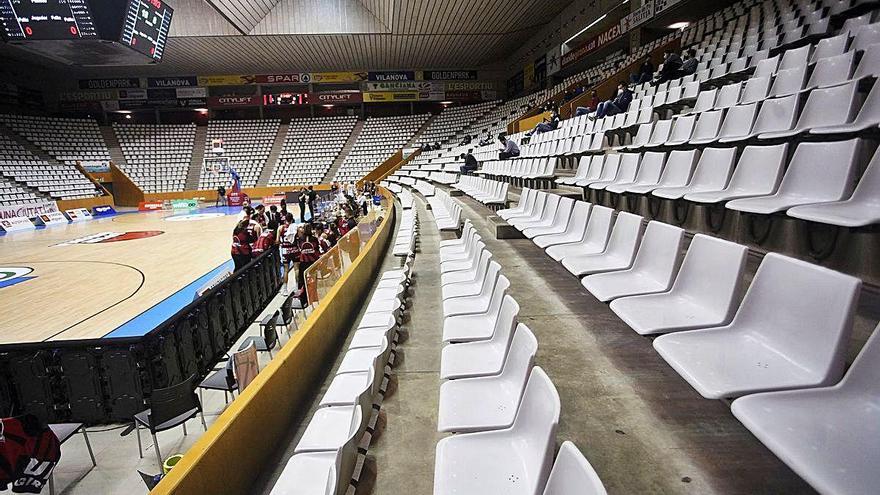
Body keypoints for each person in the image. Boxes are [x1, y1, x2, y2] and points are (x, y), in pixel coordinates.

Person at [296, 224, 321, 305]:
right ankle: (313, 297)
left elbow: (300, 249)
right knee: (314, 280)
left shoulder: (300, 239)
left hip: (303, 263)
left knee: (303, 281)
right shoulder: (314, 239)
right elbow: (317, 250)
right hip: (312, 263)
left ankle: (304, 299)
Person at [279, 214, 299, 295]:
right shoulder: (295, 227)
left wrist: (283, 243)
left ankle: (284, 289)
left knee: (286, 270)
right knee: (296, 269)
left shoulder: (281, 228)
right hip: (294, 249)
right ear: (292, 219)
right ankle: (297, 287)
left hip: (285, 250)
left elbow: (277, 240)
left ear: (285, 220)